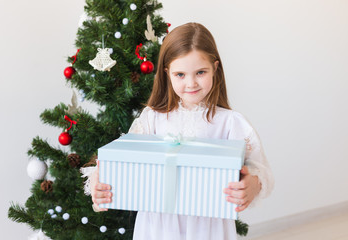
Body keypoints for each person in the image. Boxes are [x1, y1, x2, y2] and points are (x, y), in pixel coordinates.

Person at [84, 22, 274, 240]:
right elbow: (125, 161)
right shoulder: (152, 119)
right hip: (157, 228)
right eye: (180, 74)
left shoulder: (231, 122)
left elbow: (262, 170)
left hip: (209, 229)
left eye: (200, 72)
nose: (191, 83)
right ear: (167, 74)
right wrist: (100, 180)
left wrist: (253, 184)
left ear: (215, 68)